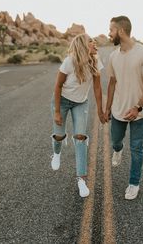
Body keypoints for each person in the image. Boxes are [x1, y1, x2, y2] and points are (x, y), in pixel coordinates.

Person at [104, 16, 143, 200]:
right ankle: (118, 150)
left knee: (136, 148)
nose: (109, 33)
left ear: (120, 31)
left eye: (111, 30)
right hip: (118, 110)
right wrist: (107, 107)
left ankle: (134, 183)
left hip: (139, 113)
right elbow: (111, 83)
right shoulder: (113, 56)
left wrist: (137, 108)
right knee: (116, 141)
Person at [51, 33, 105, 198]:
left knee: (80, 137)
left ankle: (81, 180)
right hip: (63, 101)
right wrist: (57, 111)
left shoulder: (95, 61)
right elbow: (58, 86)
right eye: (90, 41)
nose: (94, 43)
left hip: (81, 103)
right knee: (59, 135)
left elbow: (97, 88)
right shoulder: (69, 61)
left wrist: (100, 110)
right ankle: (56, 153)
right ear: (83, 45)